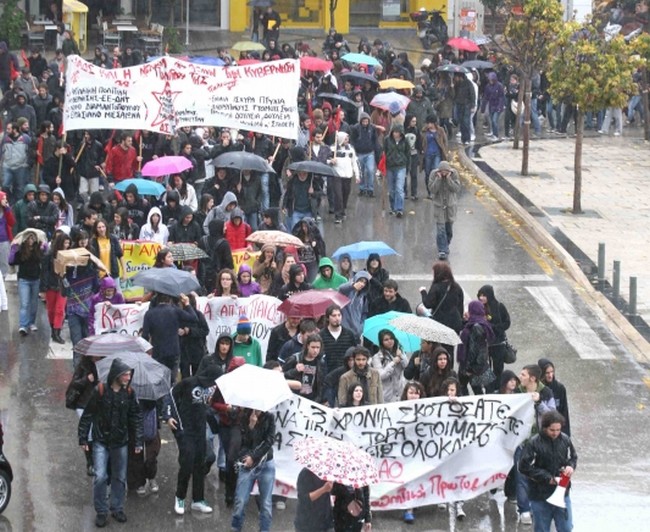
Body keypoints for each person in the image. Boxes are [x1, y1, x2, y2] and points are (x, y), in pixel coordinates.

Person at [78, 358, 143, 527]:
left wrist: (138, 441)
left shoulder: (129, 394)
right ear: (117, 375)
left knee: (120, 477)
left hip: (120, 442)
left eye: (129, 374)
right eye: (126, 374)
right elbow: (88, 415)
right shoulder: (100, 391)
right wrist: (83, 438)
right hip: (101, 441)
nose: (128, 377)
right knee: (100, 476)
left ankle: (117, 507)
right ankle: (101, 510)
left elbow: (135, 417)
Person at [164, 364, 221, 516]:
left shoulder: (212, 387)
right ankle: (180, 497)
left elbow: (207, 408)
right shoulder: (188, 382)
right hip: (185, 429)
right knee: (187, 464)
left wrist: (214, 426)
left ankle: (198, 499)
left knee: (200, 464)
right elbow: (170, 395)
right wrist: (169, 416)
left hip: (200, 430)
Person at [519, 411, 577, 532]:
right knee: (541, 529)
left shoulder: (565, 440)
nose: (555, 433)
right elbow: (524, 467)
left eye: (558, 430)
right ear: (545, 427)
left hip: (562, 492)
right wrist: (548, 478)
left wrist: (571, 466)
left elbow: (573, 457)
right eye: (552, 430)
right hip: (540, 496)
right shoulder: (533, 443)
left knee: (566, 528)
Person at [515, 364, 556, 525]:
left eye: (523, 375)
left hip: (539, 443)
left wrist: (539, 403)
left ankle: (538, 506)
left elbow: (552, 416)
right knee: (521, 476)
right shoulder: (518, 391)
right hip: (521, 441)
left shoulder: (546, 392)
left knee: (539, 475)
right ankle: (524, 509)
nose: (520, 377)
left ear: (533, 378)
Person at [231, 407, 277, 532]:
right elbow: (242, 442)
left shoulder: (270, 417)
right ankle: (236, 527)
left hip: (265, 463)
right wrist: (251, 427)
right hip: (247, 464)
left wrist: (254, 456)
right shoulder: (243, 416)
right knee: (240, 501)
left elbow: (269, 442)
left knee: (266, 504)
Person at [141, 293, 198, 381]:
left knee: (159, 381)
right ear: (170, 299)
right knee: (171, 380)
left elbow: (144, 336)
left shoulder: (149, 314)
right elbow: (194, 318)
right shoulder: (175, 311)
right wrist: (187, 304)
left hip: (157, 352)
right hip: (173, 351)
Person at [419, 260, 464, 354]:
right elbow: (460, 307)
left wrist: (423, 292)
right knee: (449, 350)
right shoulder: (456, 286)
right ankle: (449, 367)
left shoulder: (437, 286)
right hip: (454, 323)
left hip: (440, 322)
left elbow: (428, 303)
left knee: (438, 350)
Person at [400, 380, 426, 522]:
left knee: (418, 477)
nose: (414, 396)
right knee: (408, 479)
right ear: (406, 394)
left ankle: (414, 503)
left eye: (417, 393)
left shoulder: (427, 408)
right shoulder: (397, 409)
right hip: (404, 451)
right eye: (411, 393)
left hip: (422, 451)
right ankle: (408, 509)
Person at [458, 300, 495, 395]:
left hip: (472, 365)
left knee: (473, 390)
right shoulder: (481, 323)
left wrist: (469, 369)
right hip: (479, 364)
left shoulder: (476, 327)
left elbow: (473, 349)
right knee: (482, 389)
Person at [478, 285, 511, 389]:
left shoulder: (499, 306)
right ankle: (488, 389)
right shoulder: (478, 307)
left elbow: (507, 323)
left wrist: (493, 327)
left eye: (484, 295)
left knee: (498, 369)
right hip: (485, 344)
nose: (481, 298)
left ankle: (497, 389)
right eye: (480, 295)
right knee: (485, 369)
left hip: (498, 344)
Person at [11, 229, 43, 336]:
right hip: (23, 280)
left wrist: (45, 246)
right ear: (25, 239)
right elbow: (11, 261)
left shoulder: (38, 250)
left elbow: (44, 258)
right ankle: (23, 325)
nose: (31, 240)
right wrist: (13, 249)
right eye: (29, 238)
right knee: (24, 304)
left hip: (35, 279)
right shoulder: (21, 251)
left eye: (33, 238)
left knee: (34, 304)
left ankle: (31, 323)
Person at [283, 333, 328, 403]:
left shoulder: (321, 362)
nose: (315, 350)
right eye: (313, 347)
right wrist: (295, 371)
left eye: (317, 347)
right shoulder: (295, 359)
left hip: (312, 400)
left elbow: (322, 384)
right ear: (307, 346)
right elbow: (282, 376)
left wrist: (320, 400)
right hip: (294, 399)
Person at [429, 161, 461, 260]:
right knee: (440, 230)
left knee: (448, 230)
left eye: (445, 171)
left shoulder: (454, 174)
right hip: (439, 207)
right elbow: (432, 189)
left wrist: (448, 179)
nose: (443, 173)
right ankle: (442, 250)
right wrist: (438, 179)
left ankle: (445, 244)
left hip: (450, 207)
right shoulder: (434, 175)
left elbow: (456, 189)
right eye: (442, 171)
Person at [371, 329, 407, 403]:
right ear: (382, 342)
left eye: (391, 338)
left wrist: (401, 356)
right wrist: (393, 363)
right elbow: (380, 375)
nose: (390, 341)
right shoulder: (377, 357)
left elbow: (406, 366)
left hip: (400, 392)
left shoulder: (400, 352)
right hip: (387, 395)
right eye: (386, 340)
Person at [199, 219, 234, 294]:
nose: (225, 228)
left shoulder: (202, 240)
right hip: (219, 276)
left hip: (203, 274)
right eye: (224, 226)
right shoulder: (224, 243)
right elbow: (229, 263)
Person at [537, 358, 571, 436]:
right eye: (547, 373)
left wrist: (565, 434)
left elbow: (564, 411)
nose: (550, 375)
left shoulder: (559, 388)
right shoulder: (537, 389)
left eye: (552, 372)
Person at [383, 123, 410, 217]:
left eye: (398, 132)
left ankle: (399, 209)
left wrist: (407, 169)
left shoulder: (405, 141)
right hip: (390, 167)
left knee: (399, 188)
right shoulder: (387, 140)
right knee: (391, 190)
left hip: (401, 166)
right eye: (394, 132)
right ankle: (392, 207)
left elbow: (408, 154)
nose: (396, 134)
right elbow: (384, 153)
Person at [338, 271, 371, 340]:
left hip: (356, 332)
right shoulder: (347, 292)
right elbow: (341, 288)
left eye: (365, 282)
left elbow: (364, 313)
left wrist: (360, 328)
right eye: (361, 281)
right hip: (344, 330)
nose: (362, 284)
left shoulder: (363, 297)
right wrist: (353, 285)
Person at [481, 72, 506, 140]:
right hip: (491, 106)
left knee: (495, 120)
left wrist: (500, 106)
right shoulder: (488, 86)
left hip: (498, 106)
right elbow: (486, 97)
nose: (490, 81)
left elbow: (501, 97)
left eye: (491, 79)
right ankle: (494, 133)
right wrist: (483, 108)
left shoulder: (499, 86)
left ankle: (496, 135)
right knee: (492, 120)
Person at [0, 191, 16, 277]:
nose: (5, 200)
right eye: (3, 199)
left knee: (4, 265)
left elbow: (12, 222)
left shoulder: (6, 210)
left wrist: (7, 209)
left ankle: (2, 287)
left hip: (4, 241)